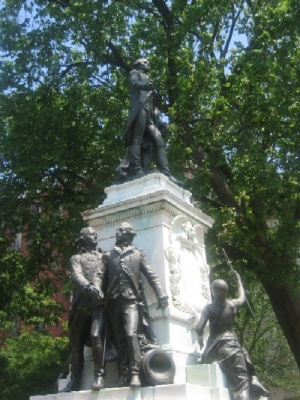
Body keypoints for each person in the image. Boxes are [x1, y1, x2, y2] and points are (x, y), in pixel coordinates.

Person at [102, 222, 169, 388]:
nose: (118, 232)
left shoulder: (138, 254)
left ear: (130, 234)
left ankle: (135, 373)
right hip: (113, 302)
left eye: (122, 230)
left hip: (131, 300)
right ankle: (122, 373)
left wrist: (161, 293)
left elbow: (151, 275)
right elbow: (100, 277)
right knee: (119, 339)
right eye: (117, 230)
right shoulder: (109, 255)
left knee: (131, 334)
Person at [195, 272, 270, 400]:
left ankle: (253, 380)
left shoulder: (209, 309)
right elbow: (242, 297)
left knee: (241, 387)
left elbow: (198, 328)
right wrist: (238, 280)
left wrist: (200, 337)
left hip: (218, 349)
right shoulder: (232, 304)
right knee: (244, 354)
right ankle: (254, 378)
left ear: (213, 292)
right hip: (234, 346)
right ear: (227, 291)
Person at [59, 227, 106, 392]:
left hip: (98, 305)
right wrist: (88, 287)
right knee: (76, 342)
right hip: (81, 305)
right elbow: (76, 276)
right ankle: (75, 379)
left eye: (95, 234)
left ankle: (99, 375)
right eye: (91, 234)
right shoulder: (76, 258)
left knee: (96, 336)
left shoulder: (104, 257)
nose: (95, 236)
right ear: (83, 238)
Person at [116, 58, 176, 182]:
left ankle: (166, 173)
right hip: (140, 108)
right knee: (137, 139)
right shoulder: (135, 73)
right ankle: (137, 170)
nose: (148, 63)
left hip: (150, 116)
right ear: (138, 64)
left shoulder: (148, 79)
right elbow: (134, 84)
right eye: (145, 62)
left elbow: (154, 106)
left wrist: (160, 122)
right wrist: (145, 85)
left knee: (160, 142)